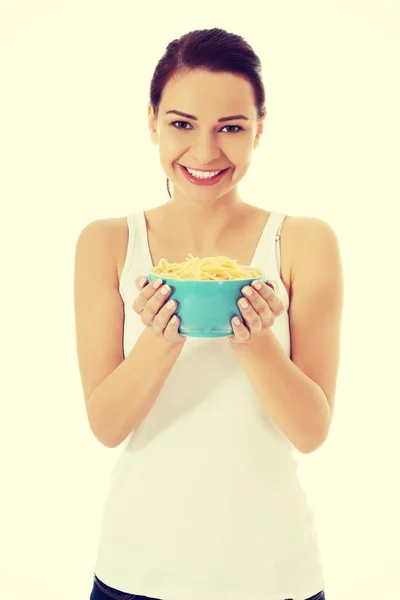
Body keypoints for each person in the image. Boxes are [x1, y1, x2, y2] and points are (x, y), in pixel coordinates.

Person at [74, 27, 343, 600]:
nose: (203, 152)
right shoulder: (107, 242)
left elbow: (312, 430)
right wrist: (162, 337)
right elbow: (106, 425)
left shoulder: (303, 241)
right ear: (151, 121)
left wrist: (254, 340)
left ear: (259, 130)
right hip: (135, 571)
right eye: (180, 124)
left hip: (274, 576)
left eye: (231, 128)